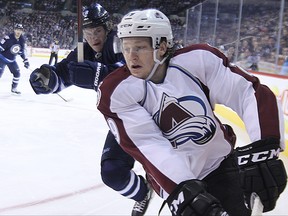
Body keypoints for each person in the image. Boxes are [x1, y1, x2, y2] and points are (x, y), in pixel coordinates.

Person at [97, 9, 287, 216]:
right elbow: (149, 144)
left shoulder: (198, 61)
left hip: (220, 166)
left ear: (161, 47)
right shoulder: (116, 91)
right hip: (176, 180)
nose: (131, 56)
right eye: (126, 48)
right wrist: (184, 190)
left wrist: (265, 146)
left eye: (139, 47)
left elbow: (248, 93)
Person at [29, 3, 152, 216]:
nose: (93, 37)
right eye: (88, 32)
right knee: (112, 173)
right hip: (123, 120)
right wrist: (47, 80)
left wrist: (101, 74)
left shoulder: (121, 43)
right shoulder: (82, 50)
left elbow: (138, 77)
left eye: (97, 31)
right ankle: (143, 193)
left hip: (151, 114)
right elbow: (63, 73)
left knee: (173, 172)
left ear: (107, 29)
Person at [0, 23, 30, 94]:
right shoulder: (8, 38)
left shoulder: (22, 40)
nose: (18, 31)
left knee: (17, 73)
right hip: (2, 59)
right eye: (17, 29)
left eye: (20, 30)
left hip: (12, 60)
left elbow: (22, 51)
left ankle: (14, 88)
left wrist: (25, 61)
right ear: (14, 30)